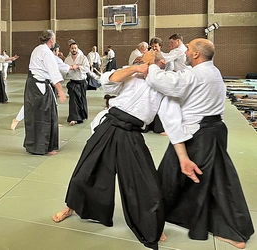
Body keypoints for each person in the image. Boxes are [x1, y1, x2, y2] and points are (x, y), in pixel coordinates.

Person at [145, 38, 254, 249]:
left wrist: (150, 65)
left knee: (182, 174)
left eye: (188, 50)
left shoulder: (194, 74)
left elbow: (166, 83)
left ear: (196, 54)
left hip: (197, 134)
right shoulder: (214, 72)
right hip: (215, 130)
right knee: (210, 177)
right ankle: (183, 215)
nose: (185, 53)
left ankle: (233, 231)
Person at [52, 51, 168, 250]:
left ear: (160, 62)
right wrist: (135, 68)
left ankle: (152, 224)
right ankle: (71, 207)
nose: (143, 58)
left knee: (145, 181)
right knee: (85, 170)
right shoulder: (131, 74)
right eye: (142, 57)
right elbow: (107, 80)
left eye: (148, 56)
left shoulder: (164, 82)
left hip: (132, 132)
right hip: (111, 124)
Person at [24, 30, 67, 155]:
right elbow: (54, 73)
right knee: (46, 116)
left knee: (34, 116)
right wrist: (60, 91)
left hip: (32, 86)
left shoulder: (37, 49)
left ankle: (34, 145)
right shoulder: (47, 53)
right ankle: (45, 147)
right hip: (40, 87)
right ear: (51, 40)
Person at [10, 43, 71, 131]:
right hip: (40, 83)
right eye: (57, 51)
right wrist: (74, 67)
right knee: (31, 103)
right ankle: (16, 119)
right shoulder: (51, 57)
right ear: (54, 51)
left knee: (52, 103)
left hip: (45, 84)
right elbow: (63, 67)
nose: (58, 53)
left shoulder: (44, 54)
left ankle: (53, 122)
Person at [64, 41, 90, 126]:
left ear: (77, 49)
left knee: (81, 100)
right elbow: (64, 70)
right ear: (70, 49)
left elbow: (87, 69)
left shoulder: (83, 58)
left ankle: (81, 116)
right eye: (72, 48)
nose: (74, 50)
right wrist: (68, 70)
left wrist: (78, 66)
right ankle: (73, 118)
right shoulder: (67, 59)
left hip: (81, 82)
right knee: (73, 101)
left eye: (75, 48)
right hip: (72, 82)